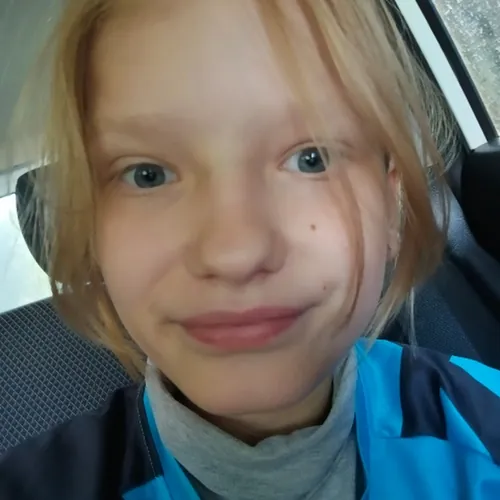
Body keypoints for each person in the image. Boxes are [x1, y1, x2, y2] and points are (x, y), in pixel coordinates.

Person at [1, 0, 499, 498]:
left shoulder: (484, 421)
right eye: (147, 174)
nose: (233, 255)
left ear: (390, 205)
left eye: (311, 158)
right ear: (93, 233)